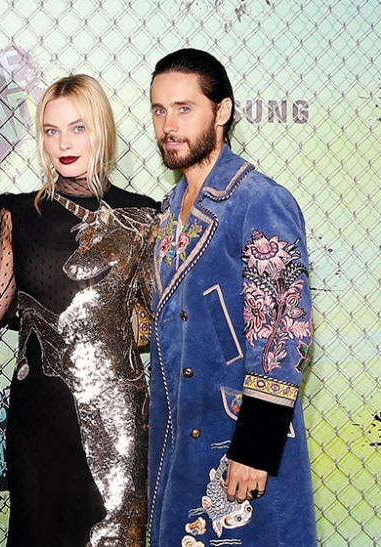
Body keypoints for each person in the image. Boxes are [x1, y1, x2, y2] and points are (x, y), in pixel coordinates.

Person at [147, 48, 316, 547]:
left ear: (221, 112)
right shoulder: (170, 208)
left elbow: (286, 328)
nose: (169, 125)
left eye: (184, 108)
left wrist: (256, 445)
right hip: (179, 435)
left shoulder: (258, 200)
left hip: (236, 439)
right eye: (159, 110)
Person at [0, 74, 159, 547]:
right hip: (39, 413)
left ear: (101, 129)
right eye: (51, 130)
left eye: (78, 128)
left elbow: (155, 322)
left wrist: (103, 330)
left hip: (117, 414)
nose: (63, 144)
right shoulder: (18, 213)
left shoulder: (144, 216)